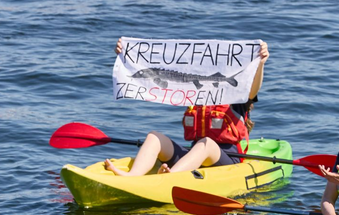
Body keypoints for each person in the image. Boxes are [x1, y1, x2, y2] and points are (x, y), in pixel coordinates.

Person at [105, 40, 269, 176]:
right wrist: (127, 56)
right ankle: (133, 175)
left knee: (206, 143)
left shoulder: (237, 94)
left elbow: (253, 89)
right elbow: (153, 78)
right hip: (193, 156)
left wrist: (260, 63)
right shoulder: (194, 92)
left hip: (227, 159)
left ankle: (170, 177)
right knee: (154, 137)